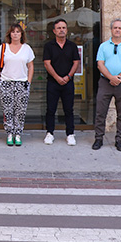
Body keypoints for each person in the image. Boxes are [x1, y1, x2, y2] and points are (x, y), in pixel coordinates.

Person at [92, 19, 121, 152]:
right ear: (111, 29)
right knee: (100, 112)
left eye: (120, 28)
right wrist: (111, 77)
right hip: (105, 83)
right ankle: (99, 138)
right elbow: (100, 64)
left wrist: (119, 77)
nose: (117, 30)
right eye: (115, 27)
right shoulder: (103, 46)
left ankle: (119, 140)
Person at [42, 18, 80, 146]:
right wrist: (57, 77)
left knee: (69, 109)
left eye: (63, 28)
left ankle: (70, 134)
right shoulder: (48, 46)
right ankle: (50, 133)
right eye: (59, 28)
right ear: (54, 31)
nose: (61, 30)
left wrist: (68, 76)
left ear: (67, 30)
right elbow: (47, 63)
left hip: (68, 82)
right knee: (51, 109)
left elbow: (76, 62)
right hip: (53, 82)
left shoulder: (72, 46)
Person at [0, 23, 34, 146]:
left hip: (22, 83)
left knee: (20, 110)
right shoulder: (3, 47)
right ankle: (9, 133)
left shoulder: (27, 48)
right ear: (9, 34)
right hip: (6, 82)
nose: (15, 34)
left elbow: (31, 65)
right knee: (7, 110)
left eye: (18, 32)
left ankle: (18, 134)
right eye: (13, 32)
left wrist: (29, 80)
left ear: (21, 34)